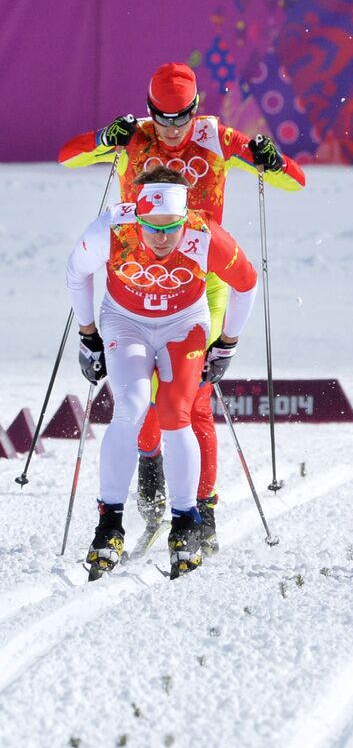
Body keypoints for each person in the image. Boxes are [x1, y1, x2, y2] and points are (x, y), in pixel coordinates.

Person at [58, 62, 306, 555]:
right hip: (136, 277)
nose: (172, 131)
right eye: (163, 119)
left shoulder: (219, 138)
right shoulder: (133, 137)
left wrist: (272, 160)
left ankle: (201, 510)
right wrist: (103, 137)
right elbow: (67, 157)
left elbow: (295, 183)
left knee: (188, 400)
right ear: (150, 109)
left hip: (204, 282)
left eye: (182, 118)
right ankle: (150, 469)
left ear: (198, 107)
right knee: (138, 399)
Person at [67, 167, 259, 580]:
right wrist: (88, 335)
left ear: (184, 218)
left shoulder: (203, 234)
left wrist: (228, 342)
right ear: (136, 215)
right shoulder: (112, 229)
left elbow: (247, 282)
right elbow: (76, 269)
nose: (160, 238)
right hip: (125, 322)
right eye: (150, 227)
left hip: (182, 325)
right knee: (131, 406)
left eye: (170, 227)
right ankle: (109, 522)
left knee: (175, 412)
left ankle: (186, 523)